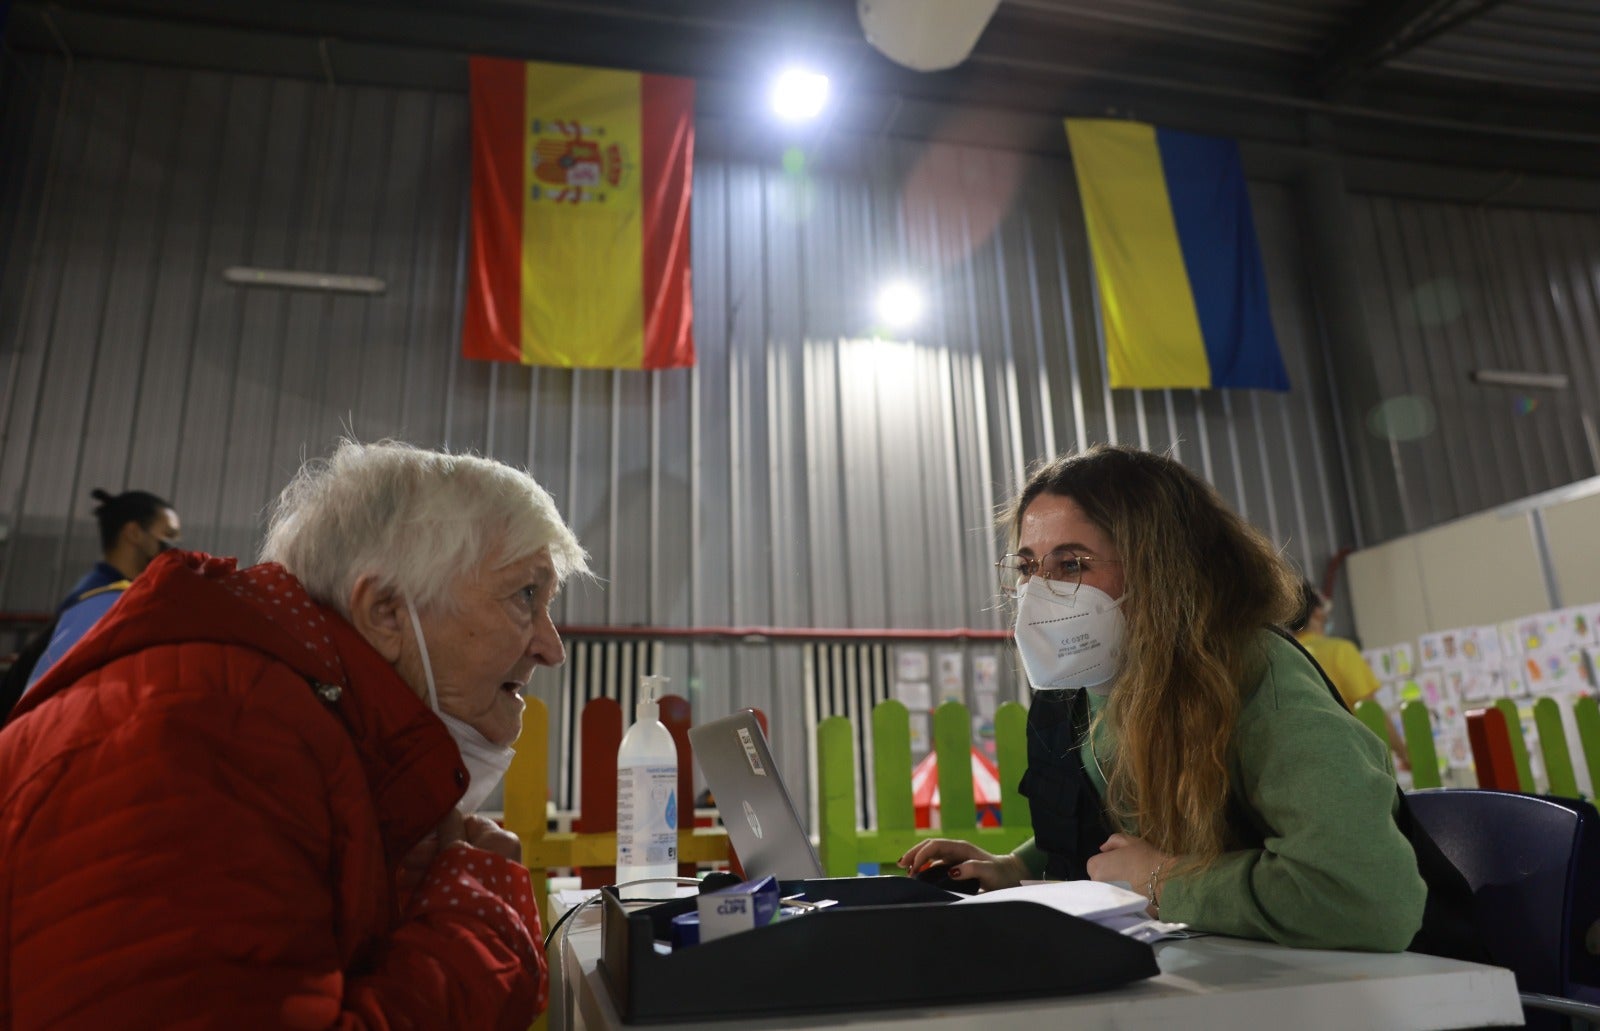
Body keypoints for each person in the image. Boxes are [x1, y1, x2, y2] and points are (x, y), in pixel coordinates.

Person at [0, 440, 587, 1028]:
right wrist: (476, 922)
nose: (552, 647)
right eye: (525, 595)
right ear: (385, 612)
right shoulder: (216, 737)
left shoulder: (273, 724)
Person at [900, 444, 1473, 955]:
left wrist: (1163, 883)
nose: (1037, 593)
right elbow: (1108, 819)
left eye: (1071, 564)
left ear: (1162, 568)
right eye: (1028, 567)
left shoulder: (1254, 677)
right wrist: (1015, 868)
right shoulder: (1082, 690)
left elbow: (1368, 902)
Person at [21, 489, 184, 694]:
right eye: (168, 535)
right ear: (134, 533)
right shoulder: (101, 602)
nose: (175, 546)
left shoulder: (119, 595)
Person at [1291, 579, 1409, 770]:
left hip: (1307, 764)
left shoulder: (1287, 656)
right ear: (1319, 613)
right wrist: (1403, 752)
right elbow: (1371, 711)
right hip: (1352, 761)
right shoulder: (1340, 651)